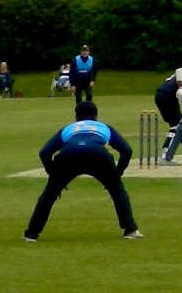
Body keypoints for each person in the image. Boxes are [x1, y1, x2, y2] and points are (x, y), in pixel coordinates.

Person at [22, 100, 142, 242]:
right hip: (98, 155)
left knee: (49, 194)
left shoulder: (69, 128)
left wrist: (53, 174)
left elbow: (44, 152)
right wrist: (117, 173)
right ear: (96, 116)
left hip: (68, 155)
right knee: (117, 191)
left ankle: (31, 234)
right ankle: (130, 230)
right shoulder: (104, 127)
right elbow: (126, 150)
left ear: (76, 117)